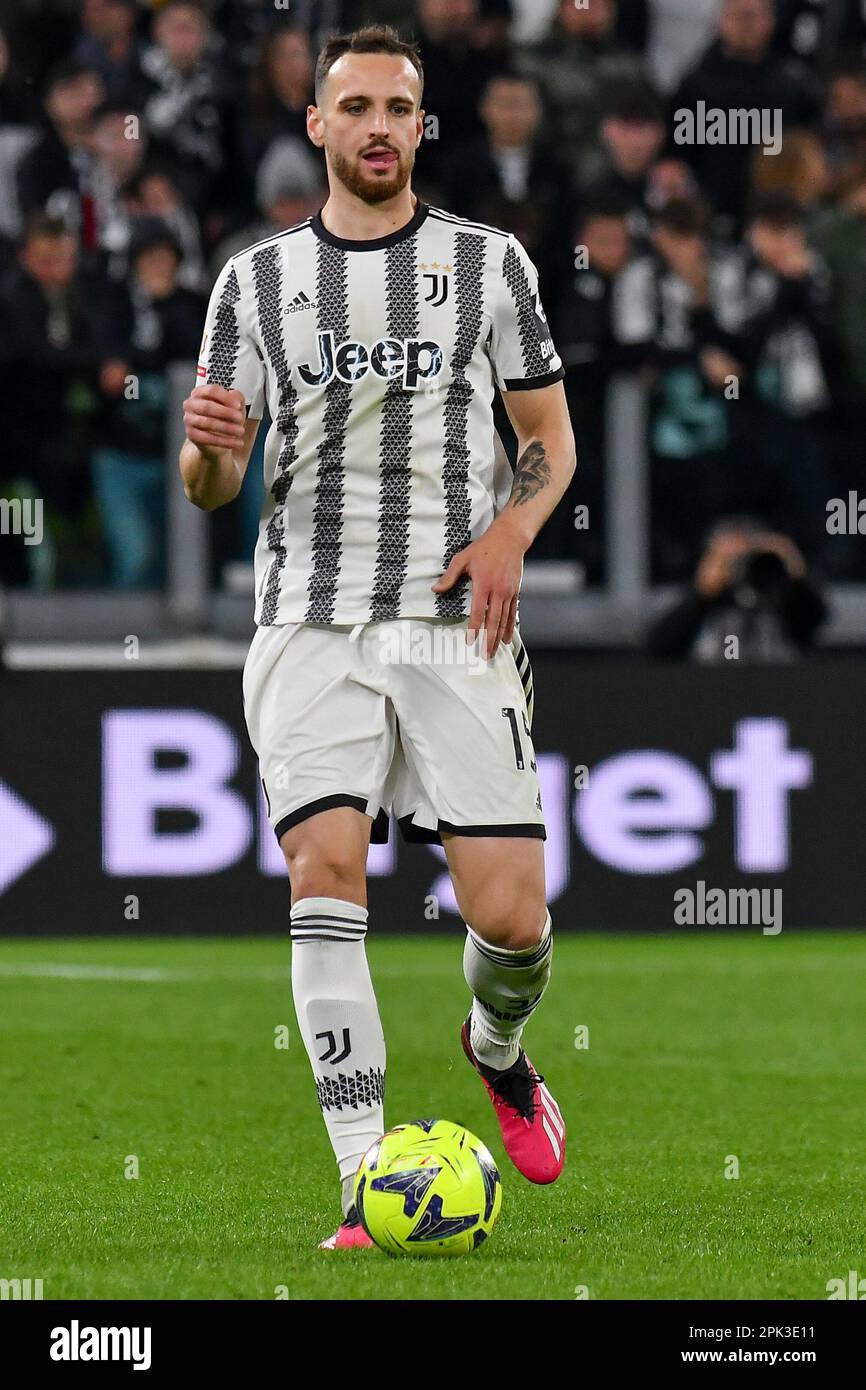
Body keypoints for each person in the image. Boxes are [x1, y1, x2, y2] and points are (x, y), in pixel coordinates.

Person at [180, 23, 574, 1250]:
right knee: (323, 874)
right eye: (352, 107)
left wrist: (512, 531)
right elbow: (205, 486)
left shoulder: (490, 263)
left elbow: (548, 443)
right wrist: (208, 456)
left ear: (420, 125)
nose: (377, 128)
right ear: (317, 127)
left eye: (397, 108)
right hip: (307, 620)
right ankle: (364, 1176)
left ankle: (497, 1050)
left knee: (509, 920)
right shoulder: (250, 282)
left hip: (455, 619)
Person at [647, 518, 828, 660]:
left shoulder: (782, 599)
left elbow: (815, 618)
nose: (741, 568)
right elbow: (660, 648)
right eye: (731, 560)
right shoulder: (706, 605)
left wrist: (793, 575)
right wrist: (702, 593)